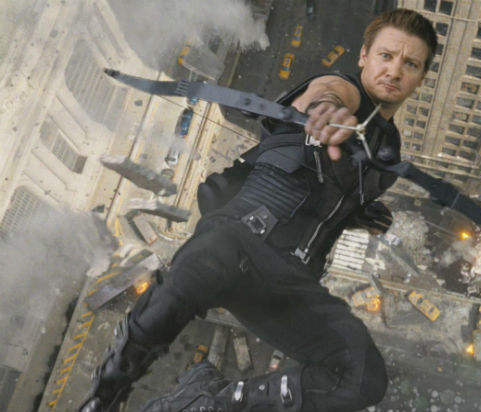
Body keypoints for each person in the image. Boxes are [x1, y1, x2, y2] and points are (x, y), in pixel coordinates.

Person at [80, 8, 437, 412]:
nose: (394, 70)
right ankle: (102, 398)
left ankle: (210, 402)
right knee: (192, 274)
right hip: (239, 240)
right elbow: (325, 95)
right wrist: (326, 109)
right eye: (386, 56)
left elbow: (322, 192)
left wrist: (356, 213)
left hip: (288, 279)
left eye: (410, 64)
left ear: (421, 77)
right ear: (364, 56)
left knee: (364, 377)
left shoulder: (388, 153)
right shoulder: (343, 91)